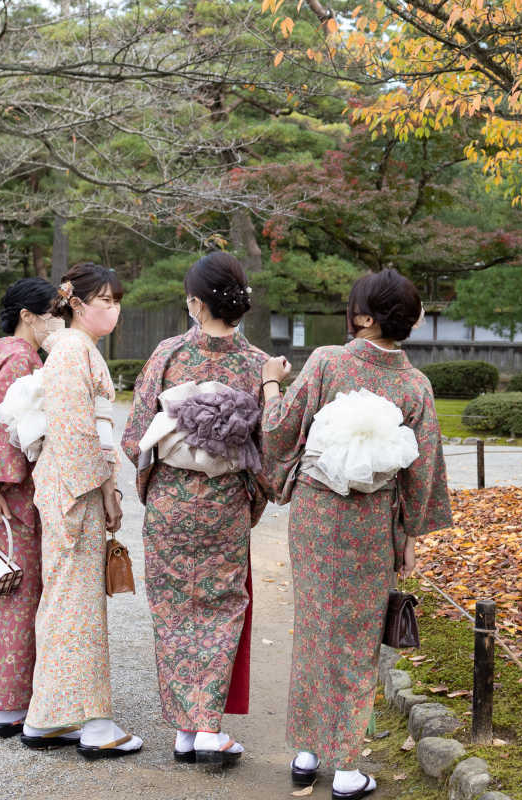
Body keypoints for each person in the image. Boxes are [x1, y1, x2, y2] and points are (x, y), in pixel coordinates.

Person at [262, 269, 452, 796]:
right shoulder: (415, 385)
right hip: (373, 521)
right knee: (359, 639)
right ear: (408, 321)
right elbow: (423, 470)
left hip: (318, 515)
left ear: (364, 318)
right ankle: (347, 766)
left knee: (316, 627)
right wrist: (410, 537)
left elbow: (280, 431)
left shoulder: (327, 361)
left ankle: (307, 753)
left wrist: (270, 384)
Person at [121, 252, 271, 767]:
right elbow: (269, 448)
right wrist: (253, 486)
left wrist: (169, 460)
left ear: (194, 303)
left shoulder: (167, 354)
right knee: (220, 606)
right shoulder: (258, 365)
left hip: (169, 502)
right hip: (225, 504)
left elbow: (135, 438)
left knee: (172, 609)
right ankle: (207, 727)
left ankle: (188, 729)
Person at [22, 263, 143, 758]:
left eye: (117, 301)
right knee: (76, 607)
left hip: (78, 486)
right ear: (76, 304)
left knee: (68, 603)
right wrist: (103, 489)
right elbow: (75, 432)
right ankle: (93, 725)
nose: (113, 310)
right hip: (75, 491)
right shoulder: (73, 351)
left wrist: (107, 486)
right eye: (105, 301)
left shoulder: (75, 350)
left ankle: (49, 718)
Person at [0, 278, 61, 738]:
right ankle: (7, 705)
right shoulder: (20, 358)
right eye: (50, 312)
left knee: (6, 591)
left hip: (11, 494)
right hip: (12, 498)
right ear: (28, 315)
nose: (55, 321)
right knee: (16, 594)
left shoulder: (20, 356)